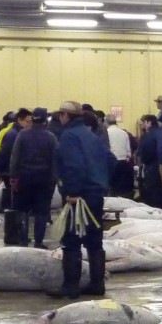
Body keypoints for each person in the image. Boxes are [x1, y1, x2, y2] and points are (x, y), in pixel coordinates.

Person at [50, 100, 113, 298]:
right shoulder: (92, 136)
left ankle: (70, 286)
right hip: (95, 194)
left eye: (60, 114)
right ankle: (97, 284)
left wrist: (72, 192)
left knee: (71, 240)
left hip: (78, 197)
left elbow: (73, 166)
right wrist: (101, 181)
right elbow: (111, 160)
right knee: (95, 240)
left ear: (66, 116)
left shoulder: (69, 136)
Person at [9, 107, 58, 248]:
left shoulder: (22, 135)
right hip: (44, 180)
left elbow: (14, 158)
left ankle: (23, 240)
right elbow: (55, 160)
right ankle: (38, 242)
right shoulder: (51, 137)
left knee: (23, 210)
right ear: (44, 121)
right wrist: (54, 179)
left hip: (24, 179)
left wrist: (13, 176)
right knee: (41, 212)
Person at [0, 108, 31, 211]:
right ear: (19, 120)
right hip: (10, 172)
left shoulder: (20, 133)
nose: (29, 124)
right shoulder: (13, 134)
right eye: (27, 122)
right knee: (14, 200)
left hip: (16, 171)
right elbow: (4, 153)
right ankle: (12, 221)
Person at [105, 113, 134, 198]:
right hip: (123, 163)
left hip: (111, 163)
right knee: (121, 190)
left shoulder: (107, 133)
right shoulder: (124, 133)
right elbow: (128, 151)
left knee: (112, 189)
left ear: (106, 122)